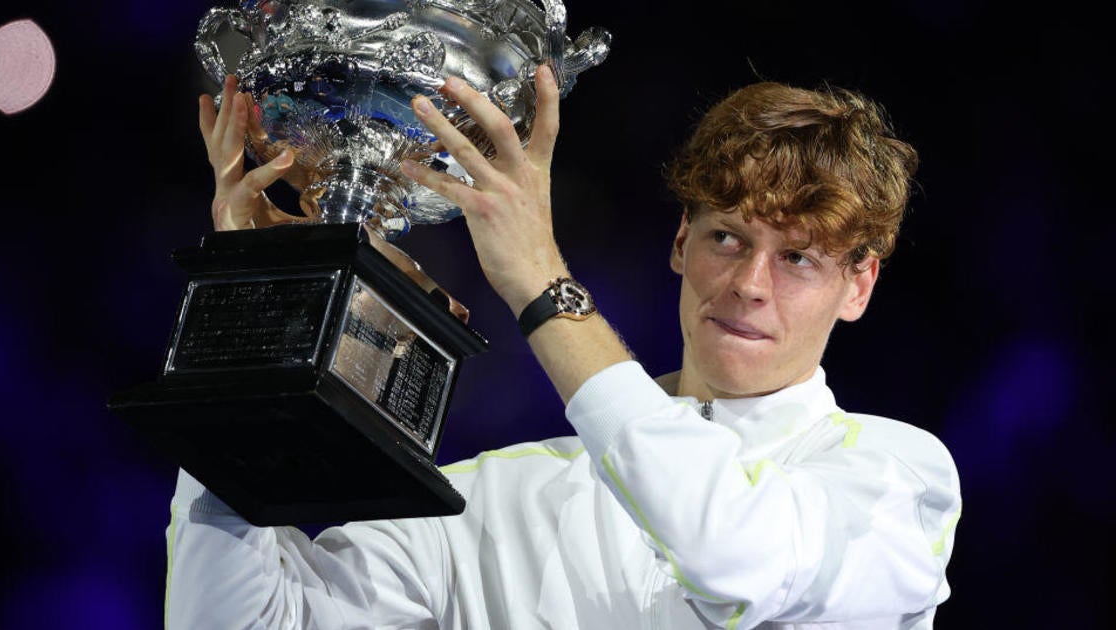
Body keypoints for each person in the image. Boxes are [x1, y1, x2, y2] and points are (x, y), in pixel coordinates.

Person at [169, 66, 961, 628]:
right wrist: (258, 320)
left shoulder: (895, 479)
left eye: (798, 257)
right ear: (682, 243)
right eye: (728, 236)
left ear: (858, 286)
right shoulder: (492, 498)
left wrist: (541, 281)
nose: (751, 283)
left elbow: (733, 561)